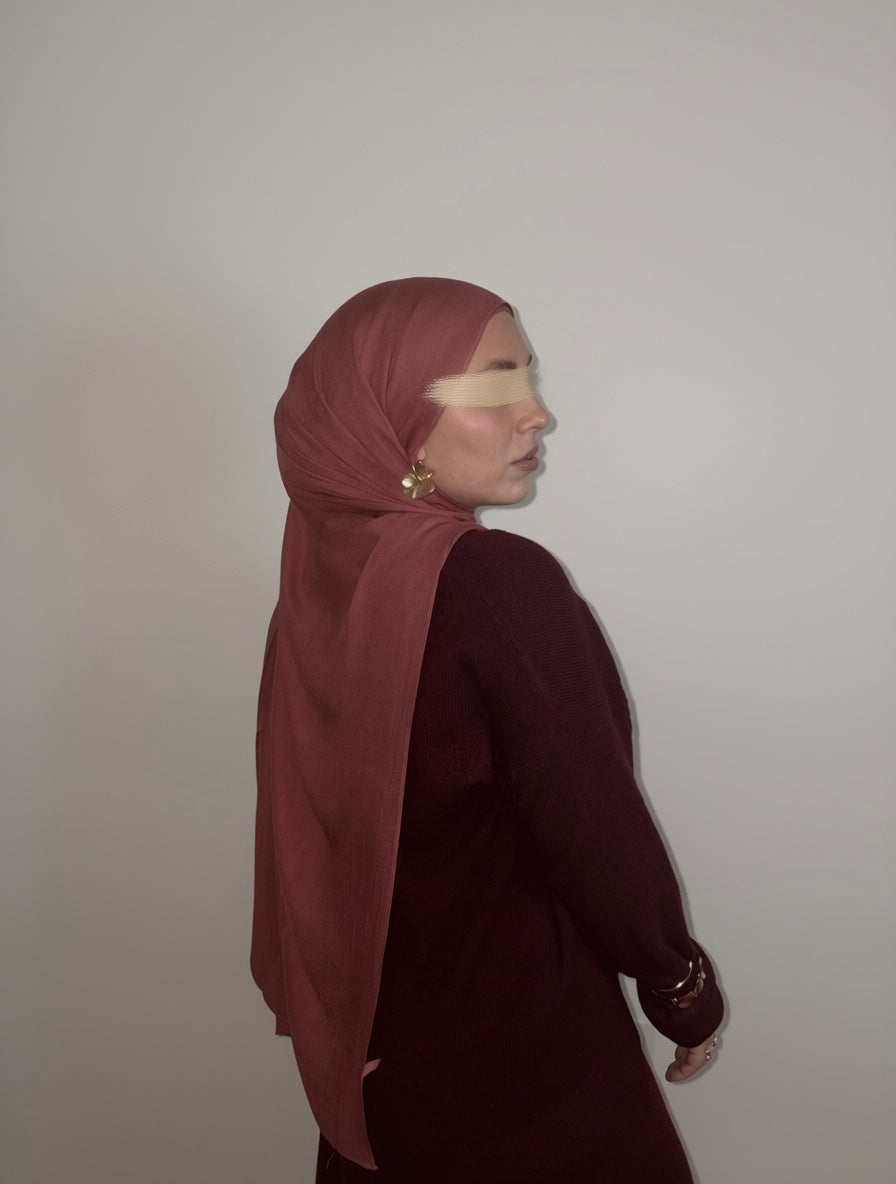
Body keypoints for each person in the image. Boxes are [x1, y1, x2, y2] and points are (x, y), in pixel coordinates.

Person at [252, 278, 723, 1184]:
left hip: (379, 1066)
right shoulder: (495, 583)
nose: (536, 413)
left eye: (528, 378)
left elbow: (311, 843)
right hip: (521, 1068)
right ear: (394, 422)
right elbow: (593, 823)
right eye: (495, 384)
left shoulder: (321, 592)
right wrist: (680, 986)